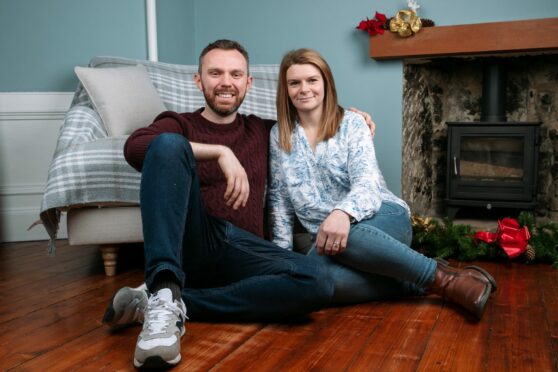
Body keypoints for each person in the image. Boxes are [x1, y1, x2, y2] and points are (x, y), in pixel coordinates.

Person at [101, 40, 373, 369]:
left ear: (248, 82)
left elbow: (310, 128)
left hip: (242, 249)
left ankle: (166, 301)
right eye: (215, 73)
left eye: (235, 74)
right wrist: (218, 152)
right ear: (199, 81)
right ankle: (165, 287)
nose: (226, 82)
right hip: (195, 240)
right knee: (168, 145)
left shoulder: (262, 130)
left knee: (318, 281)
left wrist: (350, 120)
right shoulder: (179, 124)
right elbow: (136, 147)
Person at [268, 48, 497, 322]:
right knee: (313, 280)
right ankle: (415, 278)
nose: (304, 89)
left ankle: (447, 282)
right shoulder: (278, 135)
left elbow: (367, 183)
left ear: (326, 83)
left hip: (380, 217)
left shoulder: (352, 124)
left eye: (312, 80)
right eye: (294, 83)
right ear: (286, 89)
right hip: (326, 241)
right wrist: (282, 258)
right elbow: (279, 200)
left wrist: (342, 214)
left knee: (349, 234)